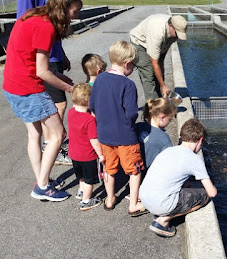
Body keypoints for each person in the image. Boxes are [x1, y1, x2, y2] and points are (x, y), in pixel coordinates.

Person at [3, 0, 83, 201]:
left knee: (34, 133)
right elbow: (41, 71)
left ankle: (41, 179)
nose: (76, 16)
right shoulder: (46, 27)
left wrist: (60, 77)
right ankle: (42, 186)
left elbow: (29, 59)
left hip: (12, 83)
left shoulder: (33, 15)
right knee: (58, 134)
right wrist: (70, 89)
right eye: (75, 11)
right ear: (64, 7)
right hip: (28, 88)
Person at [90, 40, 148, 216]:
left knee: (109, 168)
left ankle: (109, 199)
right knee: (134, 170)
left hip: (104, 135)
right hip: (125, 136)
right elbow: (131, 113)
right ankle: (134, 203)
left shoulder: (99, 79)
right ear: (127, 64)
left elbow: (92, 105)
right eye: (133, 67)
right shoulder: (128, 85)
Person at [139, 119, 217, 237]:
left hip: (145, 198)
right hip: (160, 205)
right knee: (204, 196)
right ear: (200, 140)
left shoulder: (169, 150)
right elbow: (212, 193)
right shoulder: (194, 159)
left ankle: (162, 211)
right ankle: (162, 220)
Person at [129, 14, 187, 100]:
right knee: (148, 73)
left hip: (152, 40)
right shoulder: (158, 33)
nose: (177, 37)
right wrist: (163, 86)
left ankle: (160, 99)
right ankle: (153, 107)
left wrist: (162, 82)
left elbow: (161, 59)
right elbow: (154, 63)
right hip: (139, 42)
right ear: (171, 26)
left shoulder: (173, 35)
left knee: (158, 75)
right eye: (177, 34)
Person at [68, 83, 104, 211]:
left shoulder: (70, 113)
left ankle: (81, 191)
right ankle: (86, 201)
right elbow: (93, 140)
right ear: (89, 101)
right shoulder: (89, 120)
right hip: (87, 155)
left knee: (81, 176)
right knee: (90, 180)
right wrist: (100, 154)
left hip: (74, 153)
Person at [136, 98, 177, 169]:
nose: (169, 123)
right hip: (149, 174)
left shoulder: (137, 126)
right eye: (169, 119)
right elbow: (168, 162)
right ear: (162, 117)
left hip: (132, 170)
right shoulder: (164, 139)